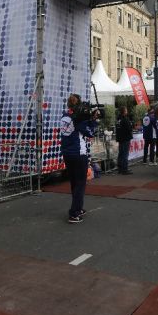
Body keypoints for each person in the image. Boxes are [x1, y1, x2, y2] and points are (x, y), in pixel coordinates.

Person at [56, 94, 99, 224]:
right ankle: (74, 213)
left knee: (75, 183)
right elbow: (90, 133)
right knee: (80, 183)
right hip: (79, 153)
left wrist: (88, 119)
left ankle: (78, 208)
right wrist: (94, 121)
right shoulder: (78, 119)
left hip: (67, 153)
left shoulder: (65, 116)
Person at [116, 106, 134, 175]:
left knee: (121, 153)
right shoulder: (125, 119)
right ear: (124, 111)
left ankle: (120, 169)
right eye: (126, 110)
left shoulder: (118, 119)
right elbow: (129, 129)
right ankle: (125, 169)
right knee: (125, 154)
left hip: (120, 138)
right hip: (125, 138)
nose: (127, 111)